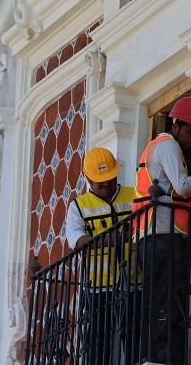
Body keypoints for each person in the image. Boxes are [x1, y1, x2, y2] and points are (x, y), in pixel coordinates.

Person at [132, 97, 191, 364]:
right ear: (176, 126)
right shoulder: (169, 147)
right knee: (167, 300)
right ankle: (164, 357)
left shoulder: (154, 147)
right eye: (190, 131)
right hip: (163, 234)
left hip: (151, 235)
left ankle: (157, 355)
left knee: (161, 299)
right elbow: (182, 186)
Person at [65, 147, 138, 364]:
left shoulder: (133, 195)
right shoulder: (79, 206)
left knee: (135, 335)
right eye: (99, 180)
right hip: (98, 287)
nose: (106, 183)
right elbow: (77, 241)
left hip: (135, 280)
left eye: (109, 178)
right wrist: (112, 240)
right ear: (88, 178)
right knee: (99, 340)